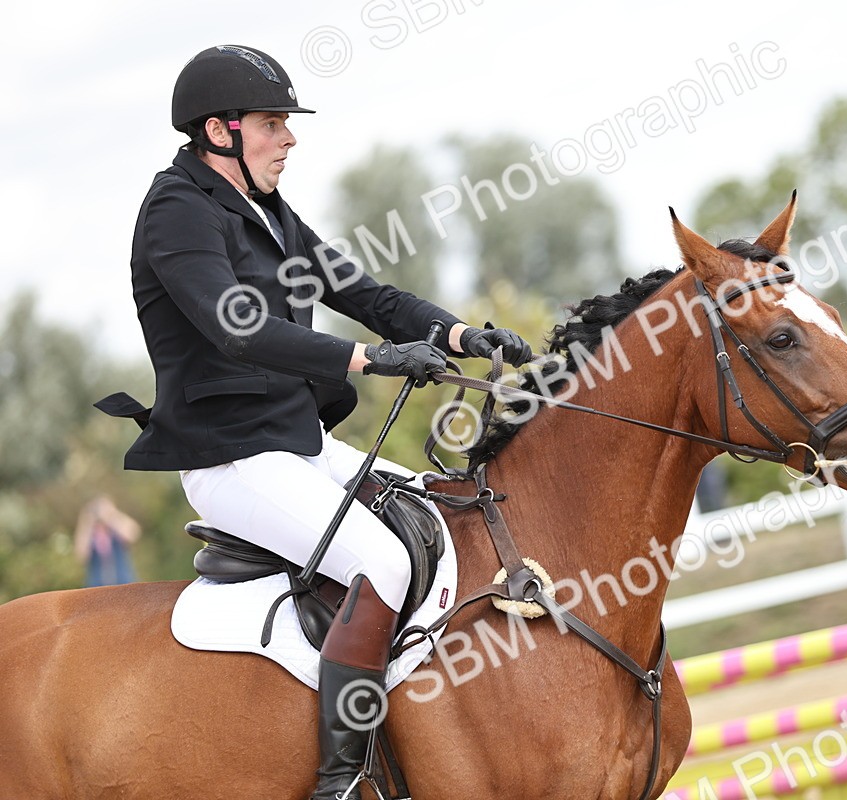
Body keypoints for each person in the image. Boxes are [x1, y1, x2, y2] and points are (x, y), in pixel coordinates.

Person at [104, 44, 533, 800]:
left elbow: (362, 291)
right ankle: (341, 779)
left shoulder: (264, 210)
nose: (289, 138)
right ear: (219, 130)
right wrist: (369, 360)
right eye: (273, 124)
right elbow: (237, 325)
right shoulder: (176, 210)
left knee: (454, 513)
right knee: (385, 565)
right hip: (232, 457)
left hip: (298, 444)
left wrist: (461, 335)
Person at [74, 495, 141, 587]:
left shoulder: (117, 529)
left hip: (124, 583)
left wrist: (111, 515)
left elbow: (133, 534)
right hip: (96, 586)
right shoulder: (91, 533)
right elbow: (81, 556)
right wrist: (87, 520)